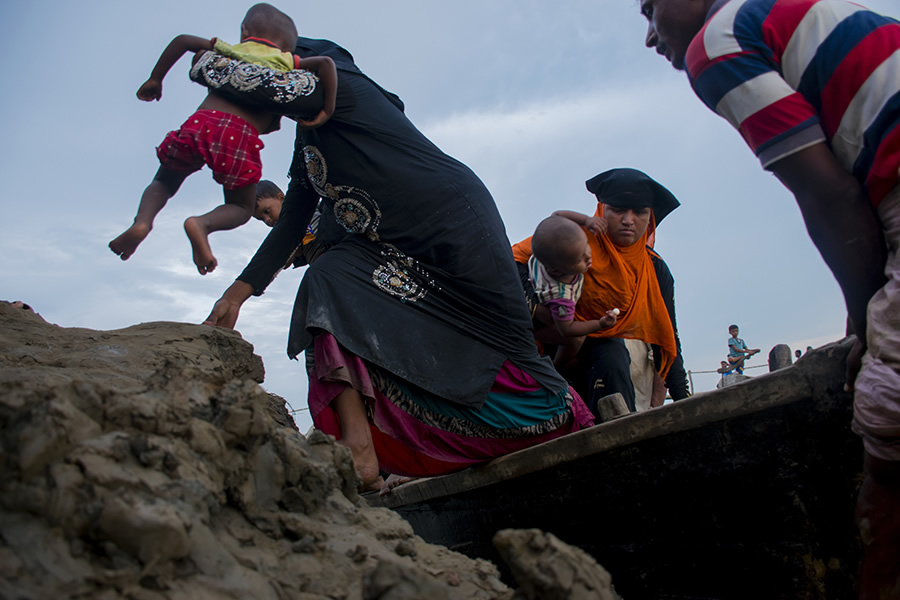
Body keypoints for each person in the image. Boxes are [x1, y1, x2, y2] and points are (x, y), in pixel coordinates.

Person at [200, 36, 594, 493]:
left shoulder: (340, 87)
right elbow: (290, 225)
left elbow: (260, 80)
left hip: (456, 226)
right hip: (395, 246)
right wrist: (237, 293)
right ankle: (359, 448)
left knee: (509, 345)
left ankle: (566, 419)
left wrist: (208, 55)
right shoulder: (308, 135)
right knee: (329, 277)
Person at [640, 0, 900, 596]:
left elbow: (827, 195)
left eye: (652, 10)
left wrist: (867, 329)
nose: (651, 36)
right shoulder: (791, 16)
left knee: (886, 429)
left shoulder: (720, 41)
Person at [109, 3, 337, 275]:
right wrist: (327, 110)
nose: (265, 218)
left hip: (199, 123)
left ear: (245, 31)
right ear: (287, 47)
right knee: (240, 206)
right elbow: (325, 64)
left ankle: (142, 222)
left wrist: (155, 79)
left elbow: (182, 41)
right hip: (238, 136)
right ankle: (201, 224)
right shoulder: (286, 62)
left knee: (163, 181)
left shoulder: (230, 50)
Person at [513, 168, 690, 416]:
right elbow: (511, 262)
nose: (628, 220)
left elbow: (668, 333)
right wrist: (537, 308)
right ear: (602, 209)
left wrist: (684, 399)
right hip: (545, 342)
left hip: (601, 344)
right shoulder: (574, 240)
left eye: (639, 212)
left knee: (614, 360)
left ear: (650, 217)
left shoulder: (653, 268)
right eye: (618, 210)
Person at [527, 211, 619, 368]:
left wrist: (587, 220)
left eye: (586, 246)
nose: (588, 257)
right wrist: (600, 324)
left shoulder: (549, 254)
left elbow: (557, 215)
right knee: (577, 339)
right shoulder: (561, 296)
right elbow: (566, 329)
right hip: (536, 325)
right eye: (579, 259)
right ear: (557, 271)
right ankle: (560, 365)